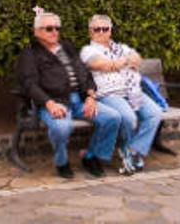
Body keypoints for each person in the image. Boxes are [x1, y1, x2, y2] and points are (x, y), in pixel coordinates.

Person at [14, 11, 121, 179]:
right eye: (49, 28)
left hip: (79, 100)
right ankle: (62, 161)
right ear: (36, 32)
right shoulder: (30, 53)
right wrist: (49, 103)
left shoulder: (67, 48)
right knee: (61, 127)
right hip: (54, 102)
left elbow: (84, 74)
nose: (54, 32)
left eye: (57, 28)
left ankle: (91, 156)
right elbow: (29, 84)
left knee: (113, 117)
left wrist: (90, 97)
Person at [80, 14, 162, 175]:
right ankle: (124, 150)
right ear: (90, 32)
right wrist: (123, 62)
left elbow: (137, 59)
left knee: (155, 113)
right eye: (97, 29)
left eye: (105, 29)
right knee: (128, 118)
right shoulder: (88, 50)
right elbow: (100, 64)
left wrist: (120, 62)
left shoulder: (120, 47)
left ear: (110, 31)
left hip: (131, 91)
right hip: (109, 95)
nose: (102, 32)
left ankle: (132, 151)